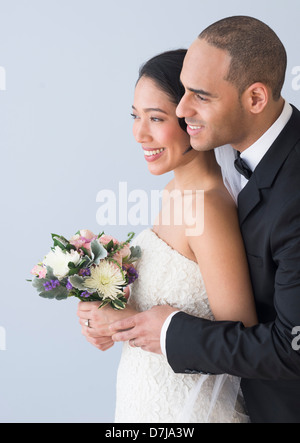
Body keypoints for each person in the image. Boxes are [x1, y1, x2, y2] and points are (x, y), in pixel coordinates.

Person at [109, 16, 300, 423]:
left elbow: (288, 346)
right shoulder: (218, 160)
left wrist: (159, 330)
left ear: (255, 99)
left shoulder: (272, 195)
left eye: (199, 95)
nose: (182, 110)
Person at [78, 48, 258, 423]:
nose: (139, 133)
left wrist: (128, 320)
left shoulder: (206, 207)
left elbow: (241, 342)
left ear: (193, 120)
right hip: (144, 398)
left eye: (155, 118)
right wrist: (107, 313)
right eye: (135, 116)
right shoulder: (175, 192)